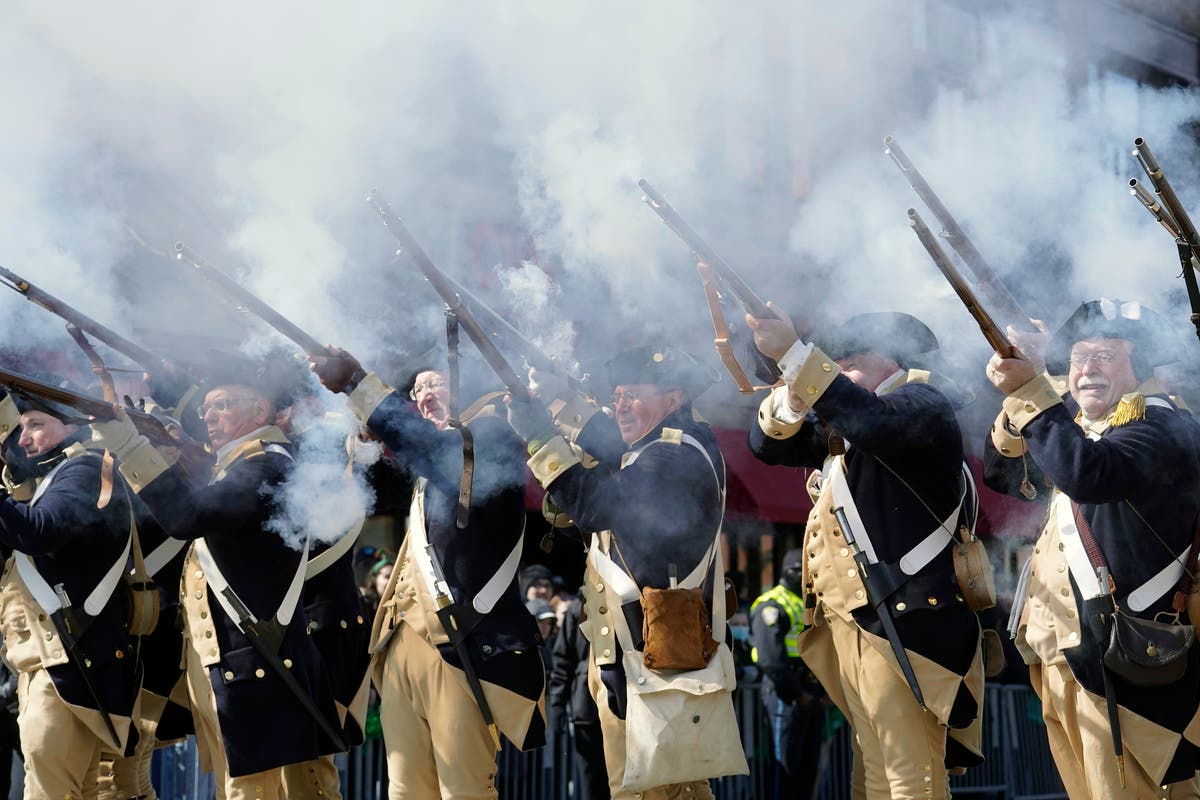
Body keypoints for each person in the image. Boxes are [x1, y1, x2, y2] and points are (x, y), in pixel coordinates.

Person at [747, 310, 985, 799]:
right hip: (861, 623)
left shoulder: (923, 404)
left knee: (909, 774)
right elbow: (766, 447)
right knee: (874, 772)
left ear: (891, 360)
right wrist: (793, 392)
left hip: (905, 621)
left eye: (849, 362)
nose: (837, 372)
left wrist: (796, 356)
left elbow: (875, 421)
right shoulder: (852, 431)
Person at [91, 358, 343, 799]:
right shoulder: (235, 466)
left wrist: (128, 445)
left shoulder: (266, 465)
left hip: (258, 659)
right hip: (229, 662)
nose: (208, 416)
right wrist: (168, 450)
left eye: (222, 405)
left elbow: (191, 515)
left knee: (255, 791)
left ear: (260, 413)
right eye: (208, 407)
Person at [984, 298, 1200, 798]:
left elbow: (1089, 473)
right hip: (1065, 655)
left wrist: (1034, 390)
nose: (1086, 370)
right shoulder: (1085, 434)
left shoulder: (1165, 429)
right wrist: (1034, 385)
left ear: (1141, 367)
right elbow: (1002, 473)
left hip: (1130, 657)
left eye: (1105, 356)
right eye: (1079, 358)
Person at [508, 345, 744, 799]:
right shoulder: (657, 447)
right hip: (629, 650)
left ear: (673, 400)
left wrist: (539, 434)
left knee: (660, 791)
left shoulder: (673, 457)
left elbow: (596, 507)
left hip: (656, 654)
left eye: (632, 395)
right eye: (616, 395)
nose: (619, 406)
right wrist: (557, 399)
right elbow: (608, 438)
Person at [308, 356, 546, 799]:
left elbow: (435, 453)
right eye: (416, 391)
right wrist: (362, 433)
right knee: (406, 790)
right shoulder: (428, 463)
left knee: (465, 788)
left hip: (460, 645)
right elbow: (365, 479)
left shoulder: (488, 439)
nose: (424, 397)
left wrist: (359, 384)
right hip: (401, 644)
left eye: (436, 385)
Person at [0, 392, 140, 799]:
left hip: (69, 659)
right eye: (22, 428)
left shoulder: (84, 468)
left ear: (74, 424)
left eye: (37, 425)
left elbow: (40, 531)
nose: (24, 440)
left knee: (49, 789)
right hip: (57, 658)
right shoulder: (54, 477)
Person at [749, 548, 826, 800]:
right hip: (786, 695)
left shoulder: (806, 603)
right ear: (790, 571)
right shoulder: (772, 604)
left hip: (809, 695)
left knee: (807, 769)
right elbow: (771, 659)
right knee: (785, 769)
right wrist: (798, 693)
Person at [549, 595, 610, 800]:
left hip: (613, 707)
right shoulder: (577, 608)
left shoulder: (622, 600)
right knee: (591, 783)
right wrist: (557, 705)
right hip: (588, 708)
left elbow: (562, 661)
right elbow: (563, 660)